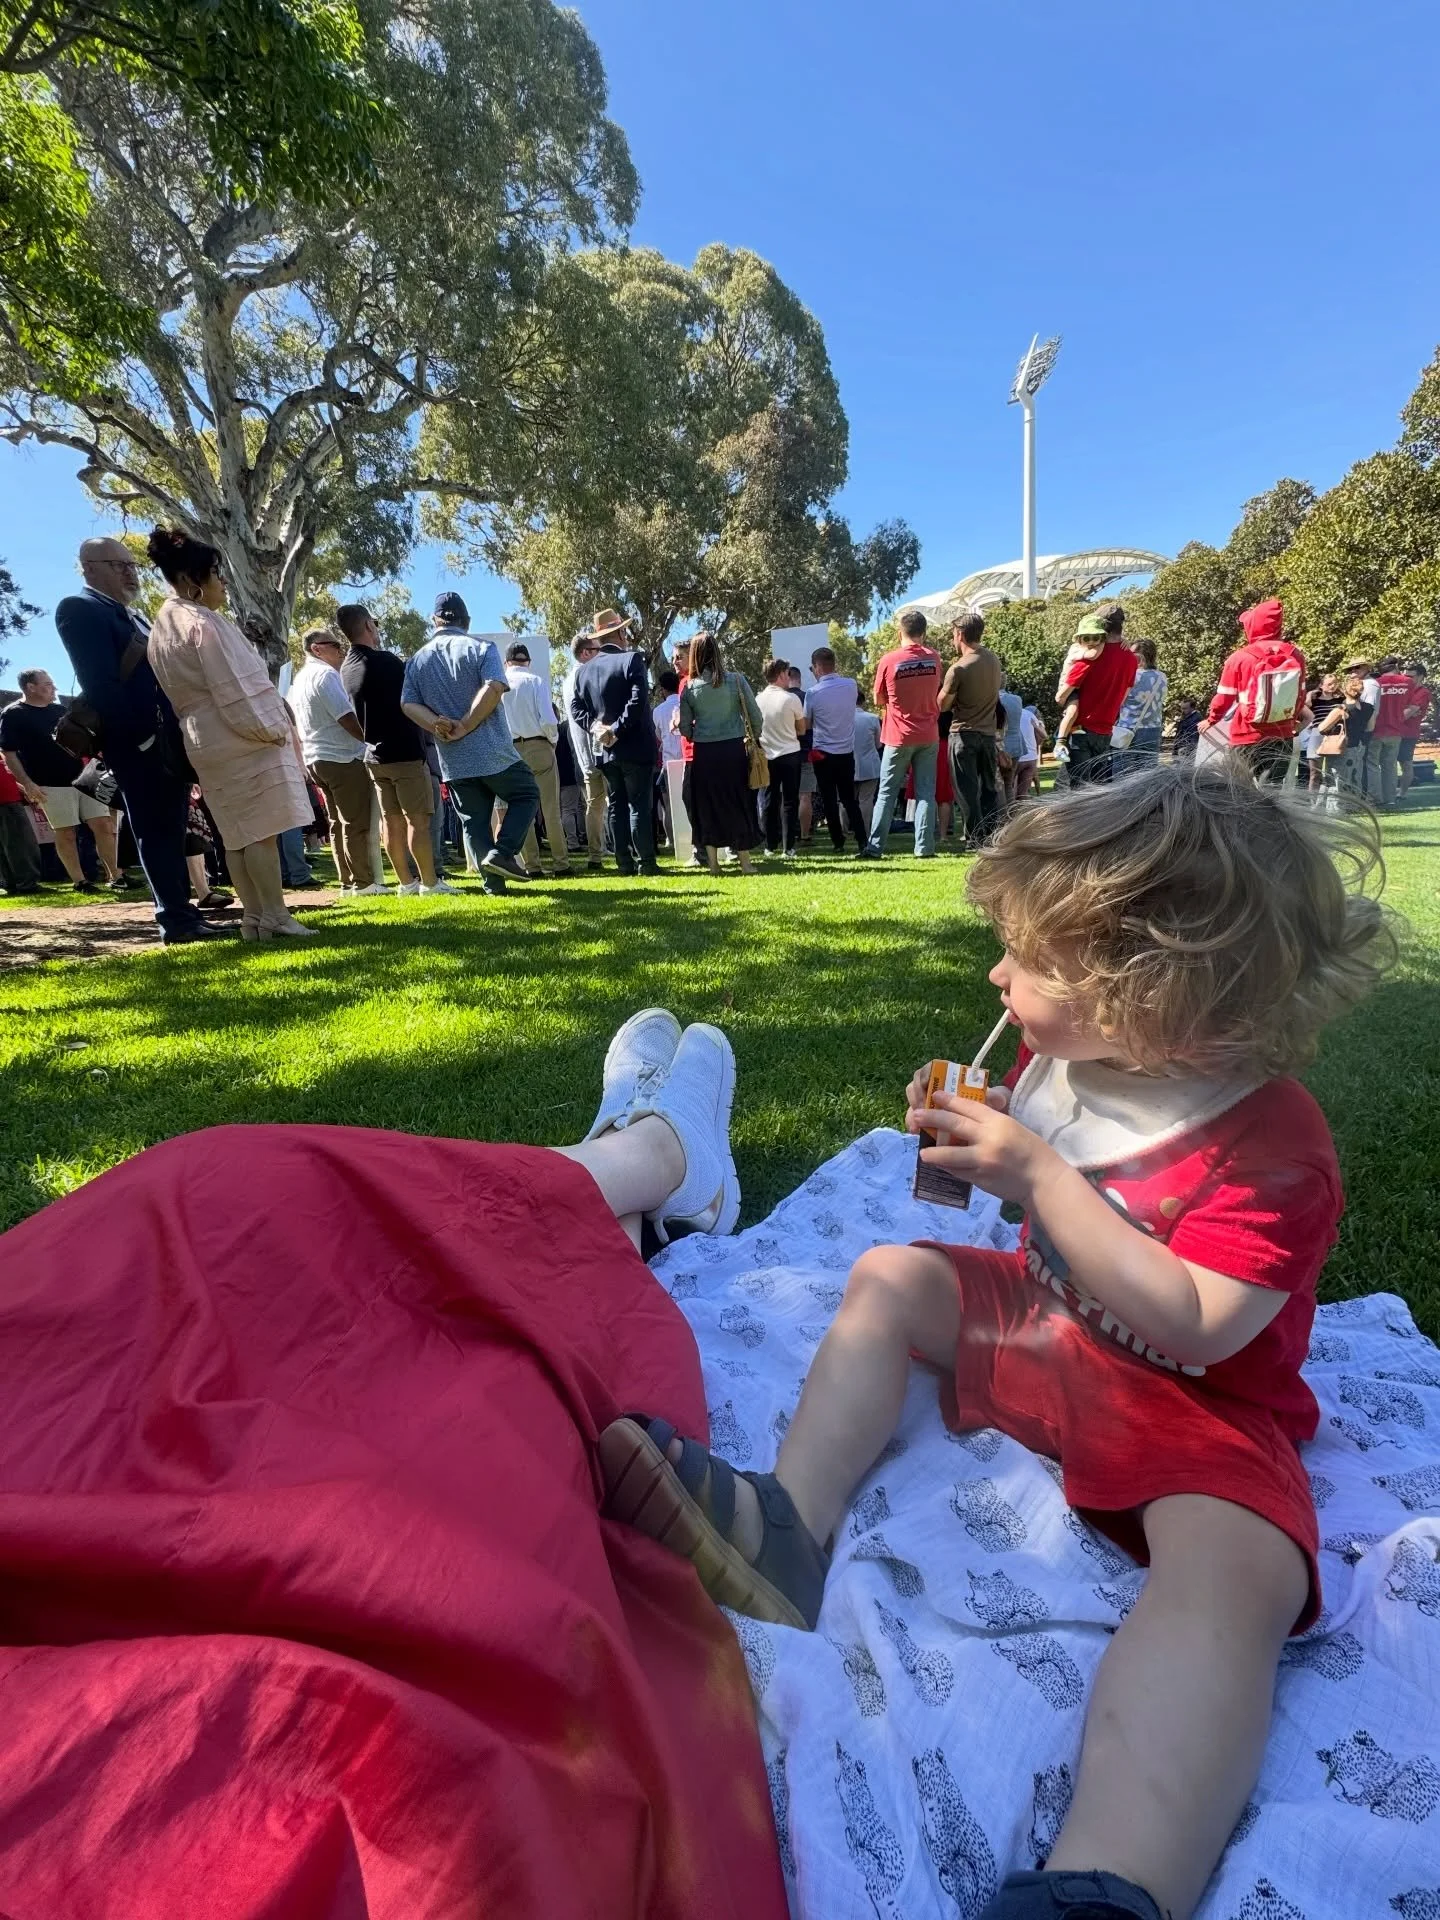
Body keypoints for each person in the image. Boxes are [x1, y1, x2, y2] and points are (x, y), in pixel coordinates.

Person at [602, 760, 1395, 1920]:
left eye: (1027, 959)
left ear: (1147, 999)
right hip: (1050, 1325)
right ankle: (787, 1527)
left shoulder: (1272, 1143)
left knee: (1243, 1574)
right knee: (890, 1278)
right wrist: (984, 1145)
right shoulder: (1071, 1064)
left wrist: (1037, 1172)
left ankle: (1109, 1880)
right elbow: (1036, 1209)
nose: (997, 974)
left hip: (1197, 1404)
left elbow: (1203, 1324)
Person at [145, 528, 312, 941]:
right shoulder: (202, 623)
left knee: (237, 833)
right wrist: (271, 729)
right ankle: (273, 913)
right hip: (237, 734)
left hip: (204, 737)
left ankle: (253, 917)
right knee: (260, 829)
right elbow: (233, 687)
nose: (222, 583)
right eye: (215, 574)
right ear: (192, 580)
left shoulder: (163, 626)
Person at [55, 537, 218, 943]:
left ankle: (186, 913)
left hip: (169, 739)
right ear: (89, 568)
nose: (129, 572)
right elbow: (101, 685)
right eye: (117, 564)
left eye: (131, 565)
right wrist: (140, 737)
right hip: (138, 743)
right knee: (153, 828)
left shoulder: (136, 615)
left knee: (174, 827)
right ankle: (175, 920)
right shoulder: (80, 609)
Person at [401, 593, 540, 893]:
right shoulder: (481, 648)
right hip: (493, 751)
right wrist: (464, 724)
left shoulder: (417, 660)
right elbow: (494, 686)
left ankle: (494, 887)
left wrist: (437, 723)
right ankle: (502, 854)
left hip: (453, 758)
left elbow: (408, 704)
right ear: (467, 621)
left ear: (435, 621)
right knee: (527, 793)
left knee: (474, 822)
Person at [337, 603, 453, 895]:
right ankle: (429, 882)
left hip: (374, 755)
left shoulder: (346, 667)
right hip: (403, 752)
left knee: (392, 821)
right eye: (374, 623)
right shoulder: (385, 662)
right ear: (367, 626)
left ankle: (406, 882)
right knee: (418, 820)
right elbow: (414, 697)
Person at [0, 668, 126, 892]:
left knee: (103, 824)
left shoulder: (60, 710)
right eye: (47, 684)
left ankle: (116, 877)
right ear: (31, 687)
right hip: (48, 783)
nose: (54, 688)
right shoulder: (13, 714)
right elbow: (8, 753)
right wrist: (28, 783)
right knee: (66, 832)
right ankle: (80, 881)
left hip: (83, 778)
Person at [290, 628, 384, 895]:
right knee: (355, 821)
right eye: (335, 645)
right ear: (316, 649)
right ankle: (363, 882)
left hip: (316, 757)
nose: (341, 651)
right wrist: (370, 740)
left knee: (338, 822)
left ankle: (348, 880)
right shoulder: (325, 675)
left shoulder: (301, 679)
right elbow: (346, 717)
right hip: (341, 757)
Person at [570, 609, 660, 879]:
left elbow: (576, 708)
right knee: (639, 804)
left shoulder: (583, 671)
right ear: (620, 633)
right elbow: (637, 701)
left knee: (617, 804)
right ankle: (645, 861)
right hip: (634, 745)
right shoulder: (632, 659)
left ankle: (624, 862)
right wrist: (616, 730)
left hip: (607, 751)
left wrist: (597, 728)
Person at [858, 610, 943, 860]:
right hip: (928, 733)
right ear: (923, 632)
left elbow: (877, 698)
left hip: (898, 734)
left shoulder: (889, 660)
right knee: (926, 793)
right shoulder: (934, 658)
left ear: (900, 632)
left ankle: (875, 848)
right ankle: (925, 848)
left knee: (886, 792)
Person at [677, 631, 763, 877]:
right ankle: (745, 863)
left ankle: (714, 865)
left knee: (708, 805)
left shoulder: (690, 688)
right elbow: (755, 717)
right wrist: (754, 736)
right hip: (733, 749)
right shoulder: (736, 680)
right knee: (739, 801)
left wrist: (697, 734)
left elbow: (684, 727)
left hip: (705, 753)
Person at [1205, 600, 1305, 785]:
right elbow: (1300, 696)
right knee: (1272, 793)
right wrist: (1292, 719)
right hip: (1282, 735)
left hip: (1246, 735)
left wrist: (1212, 719)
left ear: (1253, 626)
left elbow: (1223, 698)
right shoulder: (1295, 655)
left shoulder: (1240, 657)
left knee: (1237, 790)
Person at [499, 640, 572, 880]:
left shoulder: (499, 685)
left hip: (511, 750)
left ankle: (533, 865)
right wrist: (551, 741)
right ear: (527, 661)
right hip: (538, 744)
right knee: (550, 808)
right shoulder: (536, 681)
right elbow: (549, 719)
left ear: (507, 662)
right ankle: (561, 863)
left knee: (522, 809)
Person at [938, 609, 1004, 842]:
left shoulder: (958, 668)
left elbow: (943, 704)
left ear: (960, 634)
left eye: (954, 634)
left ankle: (974, 836)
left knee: (965, 791)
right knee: (988, 788)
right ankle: (991, 834)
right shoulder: (993, 660)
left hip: (963, 734)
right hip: (987, 734)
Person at [1055, 607, 1137, 787]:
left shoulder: (1091, 655)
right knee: (1097, 791)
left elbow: (1061, 697)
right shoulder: (1131, 659)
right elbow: (1124, 697)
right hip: (1106, 731)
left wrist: (1067, 703)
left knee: (1075, 790)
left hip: (1080, 730)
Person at [803, 647, 865, 853]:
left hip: (823, 753)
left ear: (818, 667)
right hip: (846, 751)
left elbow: (807, 725)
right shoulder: (850, 685)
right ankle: (862, 839)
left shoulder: (812, 693)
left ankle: (838, 841)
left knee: (829, 799)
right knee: (849, 799)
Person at [563, 632, 608, 871]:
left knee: (594, 805)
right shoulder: (587, 675)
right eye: (596, 649)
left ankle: (595, 855)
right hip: (602, 748)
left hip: (583, 755)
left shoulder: (567, 680)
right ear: (586, 653)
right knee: (610, 802)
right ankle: (618, 850)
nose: (601, 653)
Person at [755, 657, 805, 856]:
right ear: (781, 674)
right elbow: (801, 729)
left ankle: (769, 845)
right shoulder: (791, 698)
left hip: (767, 754)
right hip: (790, 753)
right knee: (790, 801)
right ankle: (789, 846)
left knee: (769, 800)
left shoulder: (758, 700)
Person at [1111, 639, 1168, 779]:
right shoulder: (1162, 677)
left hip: (1128, 729)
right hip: (1153, 729)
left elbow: (1118, 702)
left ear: (1139, 656)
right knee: (1148, 776)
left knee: (1122, 775)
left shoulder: (1132, 676)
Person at [1314, 671, 1372, 795]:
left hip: (1342, 748)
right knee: (1354, 778)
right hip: (1359, 747)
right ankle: (1354, 805)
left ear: (1345, 690)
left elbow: (1321, 728)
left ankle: (1333, 808)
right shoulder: (1369, 708)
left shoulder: (1341, 709)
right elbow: (1370, 727)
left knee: (1335, 781)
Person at [1368, 655, 1411, 811]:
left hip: (1376, 729)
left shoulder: (1376, 683)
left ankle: (1374, 798)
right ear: (1396, 666)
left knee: (1373, 765)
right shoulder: (1407, 682)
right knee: (1390, 766)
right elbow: (1409, 705)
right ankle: (1390, 799)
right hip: (1396, 729)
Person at [0, 751, 42, 894]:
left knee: (8, 846)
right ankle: (27, 884)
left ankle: (11, 883)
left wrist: (24, 788)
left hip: (8, 798)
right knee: (20, 844)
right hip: (6, 801)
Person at [1302, 673, 1344, 798]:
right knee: (1315, 772)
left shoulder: (1339, 701)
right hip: (1316, 735)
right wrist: (1310, 694)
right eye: (1329, 684)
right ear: (1322, 685)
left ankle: (1331, 799)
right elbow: (1305, 706)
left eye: (1335, 683)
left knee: (1332, 771)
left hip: (1333, 736)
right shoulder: (1315, 700)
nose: (1332, 686)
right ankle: (1312, 800)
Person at [852, 692, 883, 839]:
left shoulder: (843, 719)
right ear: (863, 702)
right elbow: (879, 744)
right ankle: (865, 829)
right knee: (866, 800)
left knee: (846, 800)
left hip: (848, 764)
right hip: (869, 765)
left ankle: (846, 829)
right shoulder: (872, 718)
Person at [1398, 660, 1432, 795]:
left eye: (1410, 676)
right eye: (1405, 676)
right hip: (1395, 731)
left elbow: (1407, 714)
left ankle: (1402, 793)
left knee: (1405, 763)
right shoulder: (1404, 690)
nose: (1407, 679)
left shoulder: (1422, 692)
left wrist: (1405, 710)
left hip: (1408, 733)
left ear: (1421, 676)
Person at [996, 674, 1025, 806]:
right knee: (1009, 784)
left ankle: (1002, 817)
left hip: (1001, 746)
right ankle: (1010, 816)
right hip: (1016, 745)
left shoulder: (994, 700)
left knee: (999, 785)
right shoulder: (1017, 699)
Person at [1014, 701, 1046, 801]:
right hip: (1031, 757)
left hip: (1017, 756)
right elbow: (1043, 736)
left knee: (1011, 790)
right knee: (1023, 793)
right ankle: (1025, 813)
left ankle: (1010, 814)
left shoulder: (1010, 713)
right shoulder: (1031, 716)